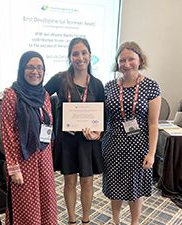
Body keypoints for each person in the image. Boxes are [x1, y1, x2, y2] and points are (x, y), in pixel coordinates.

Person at [45, 37, 104, 224]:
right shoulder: (61, 79)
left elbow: (103, 115)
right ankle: (72, 220)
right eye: (75, 54)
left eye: (84, 53)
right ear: (70, 57)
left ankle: (85, 220)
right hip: (67, 140)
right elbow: (39, 94)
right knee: (69, 181)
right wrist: (15, 91)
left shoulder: (97, 84)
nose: (80, 58)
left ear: (90, 56)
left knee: (87, 182)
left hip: (88, 141)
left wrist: (98, 133)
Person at [102, 41, 161, 225]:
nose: (126, 64)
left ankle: (135, 222)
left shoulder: (151, 86)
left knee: (135, 188)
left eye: (131, 59)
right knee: (115, 186)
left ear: (140, 60)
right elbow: (102, 118)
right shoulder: (110, 86)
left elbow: (153, 123)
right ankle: (116, 221)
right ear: (117, 63)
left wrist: (151, 153)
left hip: (139, 146)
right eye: (122, 60)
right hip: (113, 144)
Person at [0, 51, 57, 225]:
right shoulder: (12, 95)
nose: (35, 72)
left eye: (39, 68)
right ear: (22, 69)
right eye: (30, 67)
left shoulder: (45, 95)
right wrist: (13, 168)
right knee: (27, 204)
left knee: (46, 200)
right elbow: (7, 133)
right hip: (23, 160)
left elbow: (48, 125)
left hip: (44, 157)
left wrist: (49, 157)